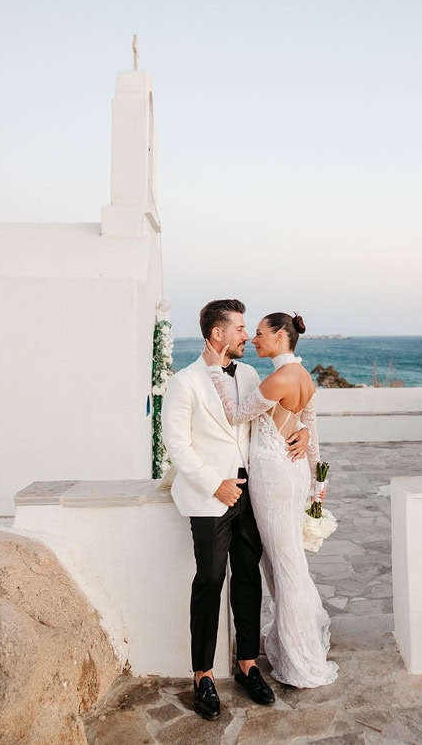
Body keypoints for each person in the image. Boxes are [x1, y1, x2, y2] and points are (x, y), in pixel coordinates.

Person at [161, 299, 311, 720]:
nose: (247, 336)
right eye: (241, 328)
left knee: (248, 576)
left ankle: (247, 664)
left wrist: (299, 432)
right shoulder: (184, 382)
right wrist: (216, 484)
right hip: (210, 496)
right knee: (210, 578)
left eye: (249, 329)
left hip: (253, 493)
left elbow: (269, 415)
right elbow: (176, 445)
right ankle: (203, 675)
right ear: (217, 334)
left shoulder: (247, 374)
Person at [203, 311, 338, 688]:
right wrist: (316, 478)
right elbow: (309, 428)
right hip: (291, 475)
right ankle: (295, 641)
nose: (255, 339)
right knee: (285, 560)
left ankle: (301, 656)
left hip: (272, 476)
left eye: (261, 333)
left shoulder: (280, 378)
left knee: (284, 563)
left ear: (281, 336)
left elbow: (234, 415)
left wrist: (215, 370)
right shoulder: (303, 376)